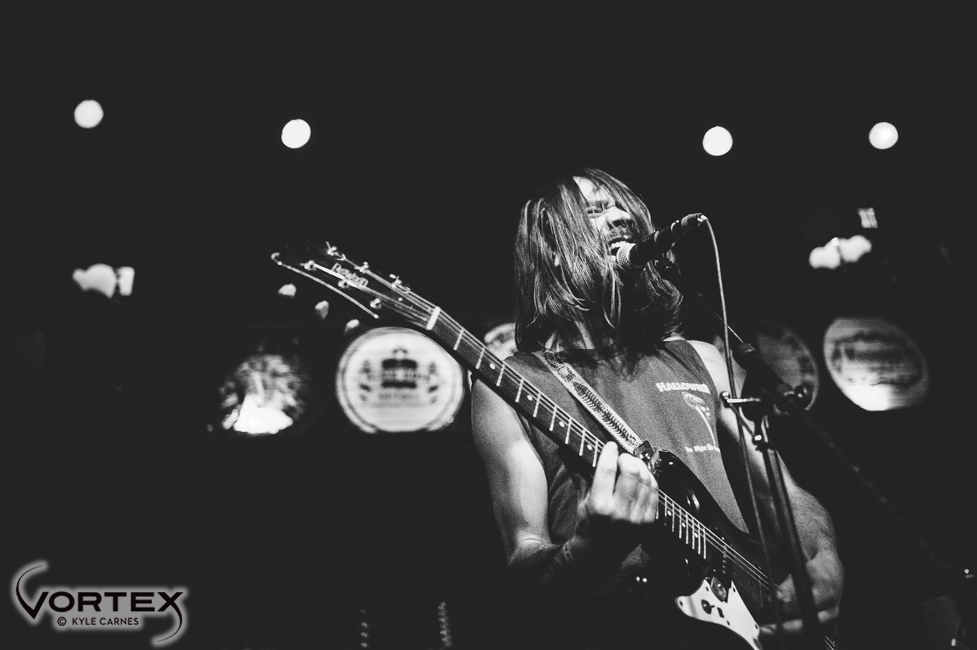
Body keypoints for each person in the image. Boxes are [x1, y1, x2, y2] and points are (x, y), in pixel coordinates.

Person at [471, 168, 843, 649]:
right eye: (596, 211)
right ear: (553, 250)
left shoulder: (701, 359)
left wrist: (824, 556)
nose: (620, 216)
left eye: (623, 208)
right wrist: (590, 548)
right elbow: (525, 565)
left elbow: (779, 493)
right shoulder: (511, 383)